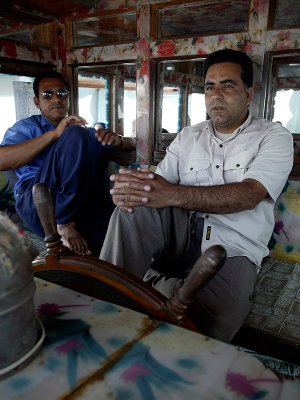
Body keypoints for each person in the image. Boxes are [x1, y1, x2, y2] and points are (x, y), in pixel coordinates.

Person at [100, 49, 294, 342]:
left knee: (217, 317)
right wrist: (130, 190)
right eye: (209, 86)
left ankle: (150, 283)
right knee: (135, 206)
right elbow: (159, 188)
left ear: (249, 93)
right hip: (180, 237)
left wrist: (171, 194)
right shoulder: (189, 135)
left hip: (232, 246)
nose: (216, 94)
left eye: (228, 85)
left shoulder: (273, 137)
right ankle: (103, 303)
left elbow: (250, 194)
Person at [0, 70, 135, 256]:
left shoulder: (81, 132)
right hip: (38, 202)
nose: (56, 99)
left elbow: (131, 151)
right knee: (76, 133)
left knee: (120, 235)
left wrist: (119, 140)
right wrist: (55, 134)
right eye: (48, 94)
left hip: (79, 202)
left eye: (62, 93)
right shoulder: (26, 128)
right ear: (37, 102)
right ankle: (63, 222)